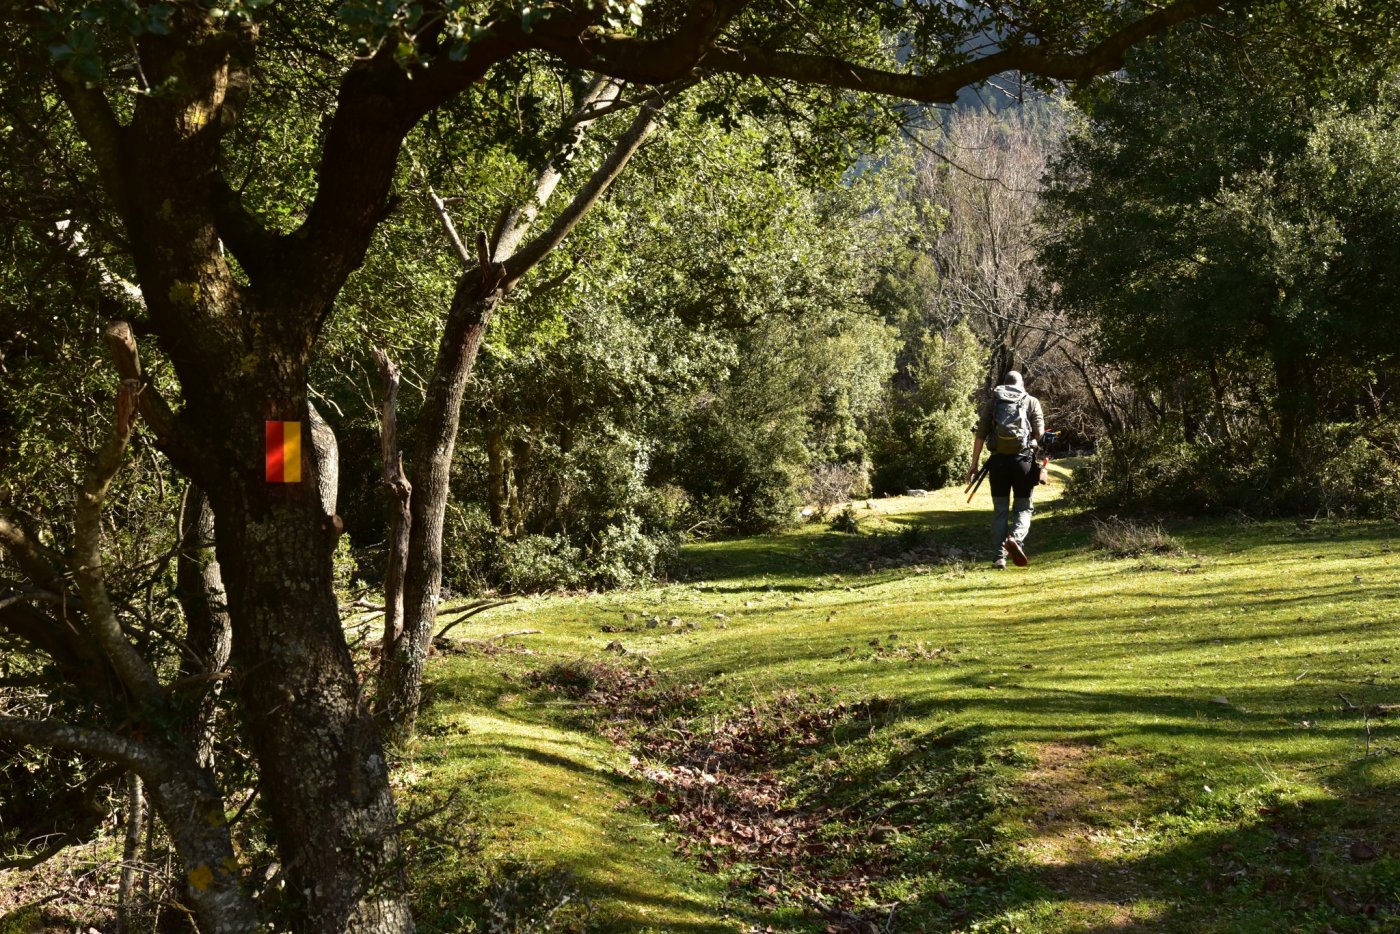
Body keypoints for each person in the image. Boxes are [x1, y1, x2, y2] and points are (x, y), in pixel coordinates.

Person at [965, 371, 1045, 569]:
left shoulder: (994, 402)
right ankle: (1016, 539)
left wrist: (974, 464)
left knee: (1000, 511)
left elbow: (980, 435)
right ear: (1022, 384)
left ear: (1004, 384)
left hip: (998, 463)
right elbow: (1040, 432)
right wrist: (1033, 442)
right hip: (1023, 462)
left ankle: (999, 557)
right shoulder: (1031, 401)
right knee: (1024, 508)